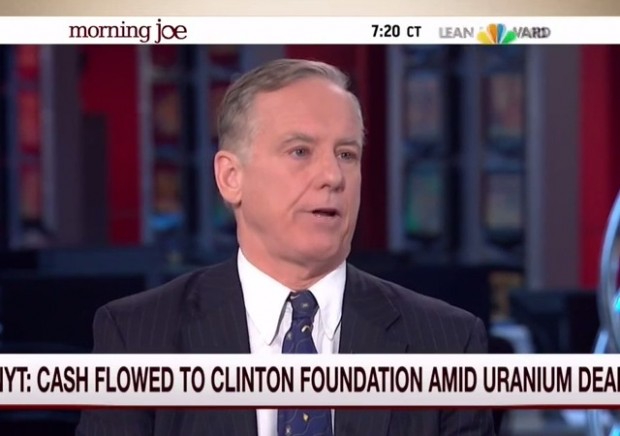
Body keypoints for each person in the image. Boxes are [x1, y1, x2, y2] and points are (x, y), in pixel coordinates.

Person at [76, 58, 496, 436]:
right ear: (231, 178)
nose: (332, 176)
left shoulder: (447, 343)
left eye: (347, 155)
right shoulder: (138, 336)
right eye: (300, 151)